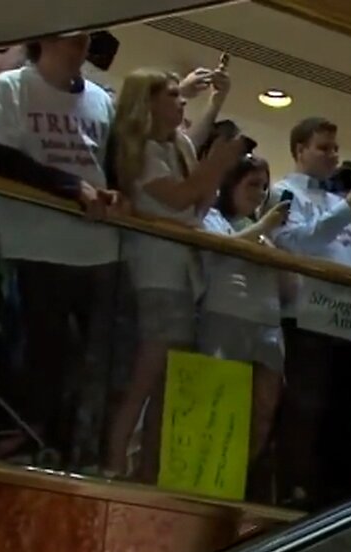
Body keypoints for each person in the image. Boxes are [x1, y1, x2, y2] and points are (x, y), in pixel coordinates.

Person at [0, 33, 123, 464]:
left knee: (92, 366)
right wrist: (69, 187)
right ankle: (31, 444)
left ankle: (74, 453)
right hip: (38, 244)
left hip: (99, 248)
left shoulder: (100, 100)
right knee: (42, 356)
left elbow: (109, 165)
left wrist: (114, 193)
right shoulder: (11, 86)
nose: (79, 44)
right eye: (70, 36)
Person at [103, 67, 243, 477]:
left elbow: (196, 202)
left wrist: (215, 114)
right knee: (145, 375)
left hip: (182, 274)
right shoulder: (141, 150)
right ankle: (114, 464)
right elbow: (182, 198)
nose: (181, 100)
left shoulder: (175, 147)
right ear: (147, 103)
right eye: (170, 94)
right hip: (154, 271)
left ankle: (148, 467)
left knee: (167, 378)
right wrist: (217, 163)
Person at [271, 116, 351, 506]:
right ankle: (295, 490)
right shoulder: (281, 192)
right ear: (299, 150)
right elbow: (297, 244)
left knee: (347, 409)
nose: (332, 155)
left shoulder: (336, 202)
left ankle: (337, 497)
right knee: (306, 408)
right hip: (306, 317)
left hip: (349, 321)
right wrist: (349, 209)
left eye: (335, 148)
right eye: (323, 148)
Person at [198, 155, 290, 471]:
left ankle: (239, 474)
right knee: (217, 404)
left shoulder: (266, 233)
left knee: (263, 412)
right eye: (252, 184)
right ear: (231, 183)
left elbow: (291, 289)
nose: (260, 192)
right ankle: (210, 473)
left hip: (268, 324)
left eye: (265, 186)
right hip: (226, 315)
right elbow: (220, 249)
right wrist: (263, 228)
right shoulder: (211, 217)